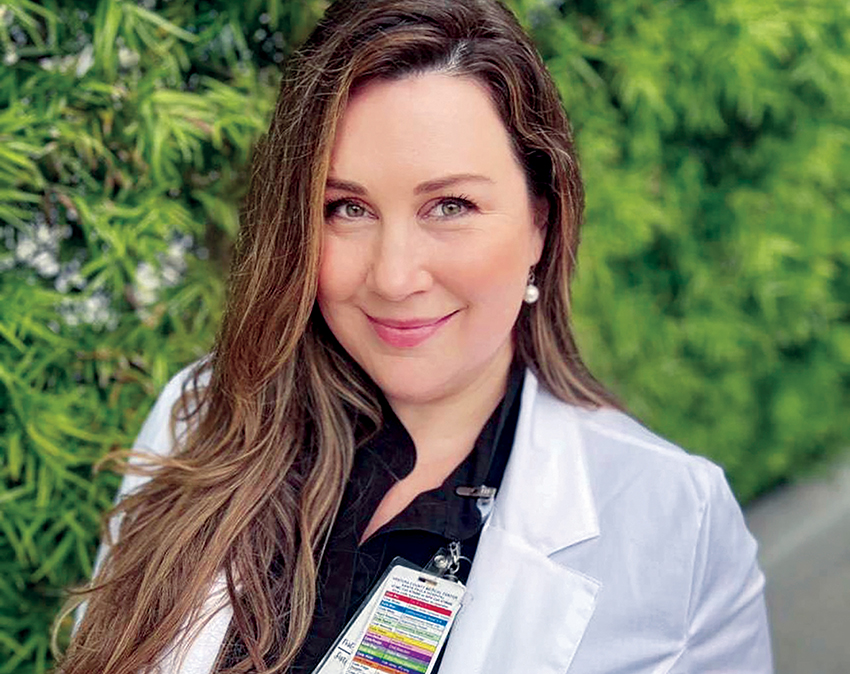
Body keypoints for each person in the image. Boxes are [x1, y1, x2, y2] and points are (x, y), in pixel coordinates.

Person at [57, 0, 773, 672]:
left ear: (541, 223)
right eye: (346, 209)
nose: (394, 277)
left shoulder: (675, 522)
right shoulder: (203, 414)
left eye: (450, 205)